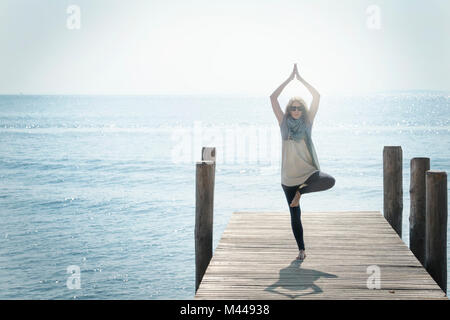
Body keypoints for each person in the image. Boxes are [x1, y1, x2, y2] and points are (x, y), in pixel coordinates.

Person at [270, 63, 336, 261]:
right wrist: (289, 79)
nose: (296, 110)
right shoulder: (283, 123)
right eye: (293, 108)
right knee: (295, 214)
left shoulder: (307, 123)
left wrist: (302, 79)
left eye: (299, 108)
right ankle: (301, 250)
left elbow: (316, 97)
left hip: (308, 172)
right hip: (289, 177)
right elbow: (272, 98)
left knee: (329, 180)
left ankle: (301, 192)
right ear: (289, 110)